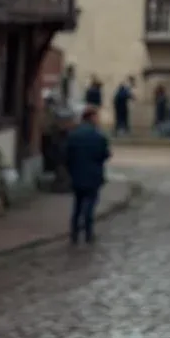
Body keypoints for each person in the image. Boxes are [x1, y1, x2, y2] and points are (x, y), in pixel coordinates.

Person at [64, 105, 111, 244]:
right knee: (90, 205)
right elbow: (105, 155)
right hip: (93, 175)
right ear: (92, 118)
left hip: (77, 175)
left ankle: (74, 233)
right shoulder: (98, 136)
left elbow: (66, 155)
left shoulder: (73, 135)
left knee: (77, 205)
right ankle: (88, 233)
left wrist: (71, 169)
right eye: (97, 117)